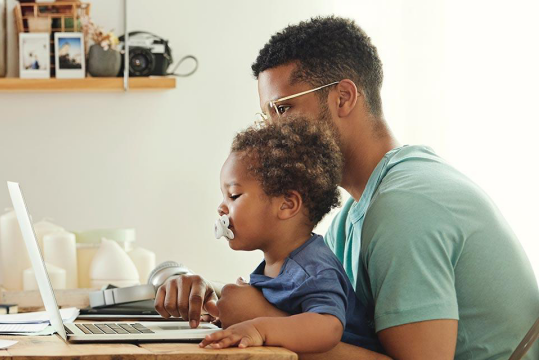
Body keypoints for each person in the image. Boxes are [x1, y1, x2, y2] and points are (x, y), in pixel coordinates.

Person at [155, 16, 539, 359]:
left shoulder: (405, 207)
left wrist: (261, 320)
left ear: (343, 97)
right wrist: (213, 296)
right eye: (266, 114)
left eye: (283, 109)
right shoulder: (353, 216)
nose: (272, 130)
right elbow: (320, 315)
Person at [198, 120, 381, 354]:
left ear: (287, 204)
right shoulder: (276, 264)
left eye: (233, 195)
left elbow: (328, 327)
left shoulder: (313, 267)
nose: (221, 208)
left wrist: (258, 329)